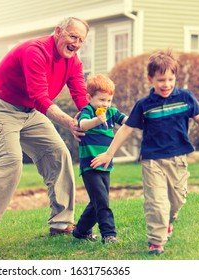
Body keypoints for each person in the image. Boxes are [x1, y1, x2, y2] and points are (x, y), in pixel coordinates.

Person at [0, 17, 90, 249]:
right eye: (72, 36)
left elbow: (80, 94)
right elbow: (40, 97)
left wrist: (92, 116)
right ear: (58, 31)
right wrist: (69, 122)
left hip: (29, 110)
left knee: (58, 154)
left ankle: (61, 223)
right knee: (11, 161)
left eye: (81, 40)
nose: (76, 43)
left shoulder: (73, 62)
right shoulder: (35, 51)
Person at [90, 49, 199, 254]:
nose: (167, 84)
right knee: (156, 201)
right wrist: (109, 153)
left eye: (171, 79)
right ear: (150, 79)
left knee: (177, 200)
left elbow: (198, 114)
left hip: (178, 159)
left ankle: (168, 222)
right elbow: (126, 128)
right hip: (152, 160)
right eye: (161, 80)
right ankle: (156, 241)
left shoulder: (185, 97)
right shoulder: (144, 105)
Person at [72, 74, 127, 244]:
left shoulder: (111, 112)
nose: (106, 104)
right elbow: (82, 125)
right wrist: (97, 120)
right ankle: (109, 234)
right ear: (89, 98)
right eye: (102, 100)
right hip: (90, 166)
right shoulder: (87, 111)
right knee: (102, 201)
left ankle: (80, 231)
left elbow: (127, 121)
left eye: (109, 100)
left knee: (98, 200)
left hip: (105, 165)